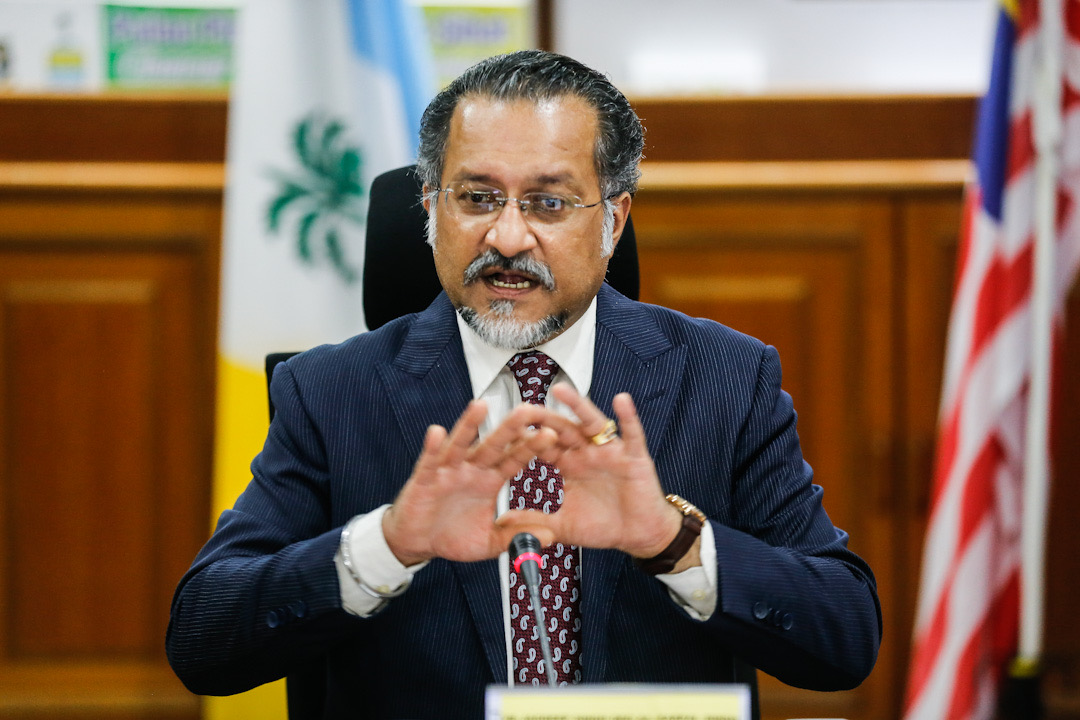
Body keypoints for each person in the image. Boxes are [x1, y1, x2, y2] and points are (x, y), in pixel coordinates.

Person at [166, 50, 881, 719]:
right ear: (430, 210)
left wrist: (674, 542)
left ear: (613, 219)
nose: (507, 238)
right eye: (477, 197)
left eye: (548, 203)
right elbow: (203, 641)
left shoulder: (723, 378)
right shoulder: (331, 392)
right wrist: (386, 545)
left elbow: (844, 640)